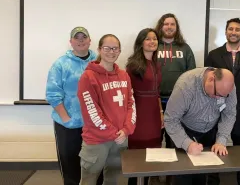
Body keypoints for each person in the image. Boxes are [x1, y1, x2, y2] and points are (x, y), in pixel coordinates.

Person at [205, 18, 240, 185]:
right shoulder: (214, 55)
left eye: (237, 29)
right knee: (214, 150)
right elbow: (206, 83)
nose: (234, 32)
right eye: (231, 29)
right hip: (217, 111)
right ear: (226, 31)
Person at [46, 27, 103, 185]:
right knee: (71, 167)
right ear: (71, 42)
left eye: (83, 37)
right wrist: (66, 119)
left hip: (94, 124)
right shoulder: (60, 64)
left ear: (90, 40)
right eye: (76, 38)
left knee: (95, 166)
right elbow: (52, 94)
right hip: (68, 124)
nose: (80, 40)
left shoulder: (98, 61)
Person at [77, 34, 136, 185]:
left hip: (121, 138)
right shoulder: (88, 77)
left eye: (115, 48)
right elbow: (91, 111)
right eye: (107, 48)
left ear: (120, 51)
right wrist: (113, 133)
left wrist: (127, 129)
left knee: (116, 179)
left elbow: (131, 104)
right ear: (99, 49)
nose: (111, 52)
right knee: (88, 180)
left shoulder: (124, 75)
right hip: (97, 141)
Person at [164, 67, 237, 185]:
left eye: (223, 96)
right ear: (211, 79)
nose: (220, 98)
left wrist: (221, 140)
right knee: (183, 176)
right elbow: (170, 120)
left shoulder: (226, 87)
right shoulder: (185, 85)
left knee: (204, 176)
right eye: (217, 94)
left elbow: (229, 114)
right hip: (184, 131)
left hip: (210, 132)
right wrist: (187, 144)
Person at [126, 28, 163, 185]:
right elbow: (128, 94)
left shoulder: (157, 63)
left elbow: (157, 92)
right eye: (148, 39)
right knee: (137, 158)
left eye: (154, 38)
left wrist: (161, 113)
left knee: (151, 157)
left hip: (154, 114)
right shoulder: (133, 65)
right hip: (139, 115)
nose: (152, 41)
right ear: (141, 42)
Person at [155, 13, 196, 149]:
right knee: (155, 140)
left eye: (172, 24)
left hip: (179, 102)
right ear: (161, 26)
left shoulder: (185, 48)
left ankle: (173, 170)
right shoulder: (153, 47)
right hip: (156, 102)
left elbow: (192, 76)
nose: (169, 27)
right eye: (166, 24)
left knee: (175, 141)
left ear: (176, 27)